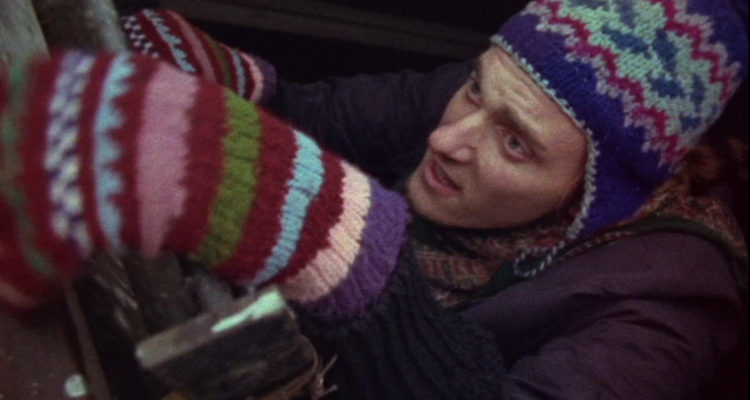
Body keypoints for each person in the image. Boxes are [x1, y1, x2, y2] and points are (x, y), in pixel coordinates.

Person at [2, 1, 747, 399]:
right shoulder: (499, 96)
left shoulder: (667, 313)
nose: (449, 139)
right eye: (475, 88)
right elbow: (313, 111)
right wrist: (230, 77)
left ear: (597, 191)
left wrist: (349, 253)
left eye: (516, 145)